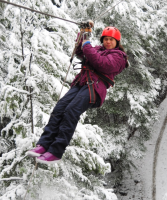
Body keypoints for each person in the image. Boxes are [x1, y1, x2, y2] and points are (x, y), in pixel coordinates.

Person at [26, 22, 128, 164]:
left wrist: (87, 44)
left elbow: (102, 63)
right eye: (106, 39)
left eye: (111, 40)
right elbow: (81, 51)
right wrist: (83, 35)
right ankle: (43, 145)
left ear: (117, 42)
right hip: (82, 83)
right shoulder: (98, 50)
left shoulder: (119, 56)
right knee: (59, 108)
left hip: (95, 88)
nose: (108, 42)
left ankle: (56, 151)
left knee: (71, 111)